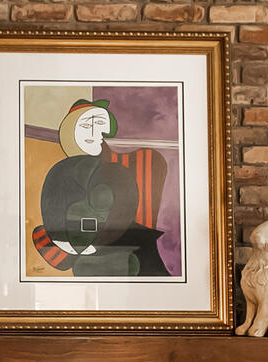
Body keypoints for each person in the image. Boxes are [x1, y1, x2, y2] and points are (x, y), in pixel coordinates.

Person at [31, 98, 169, 278]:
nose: (95, 133)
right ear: (70, 131)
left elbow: (123, 211)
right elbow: (53, 209)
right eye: (87, 125)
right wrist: (64, 241)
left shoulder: (116, 171)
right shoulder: (59, 173)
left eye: (100, 125)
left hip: (120, 244)